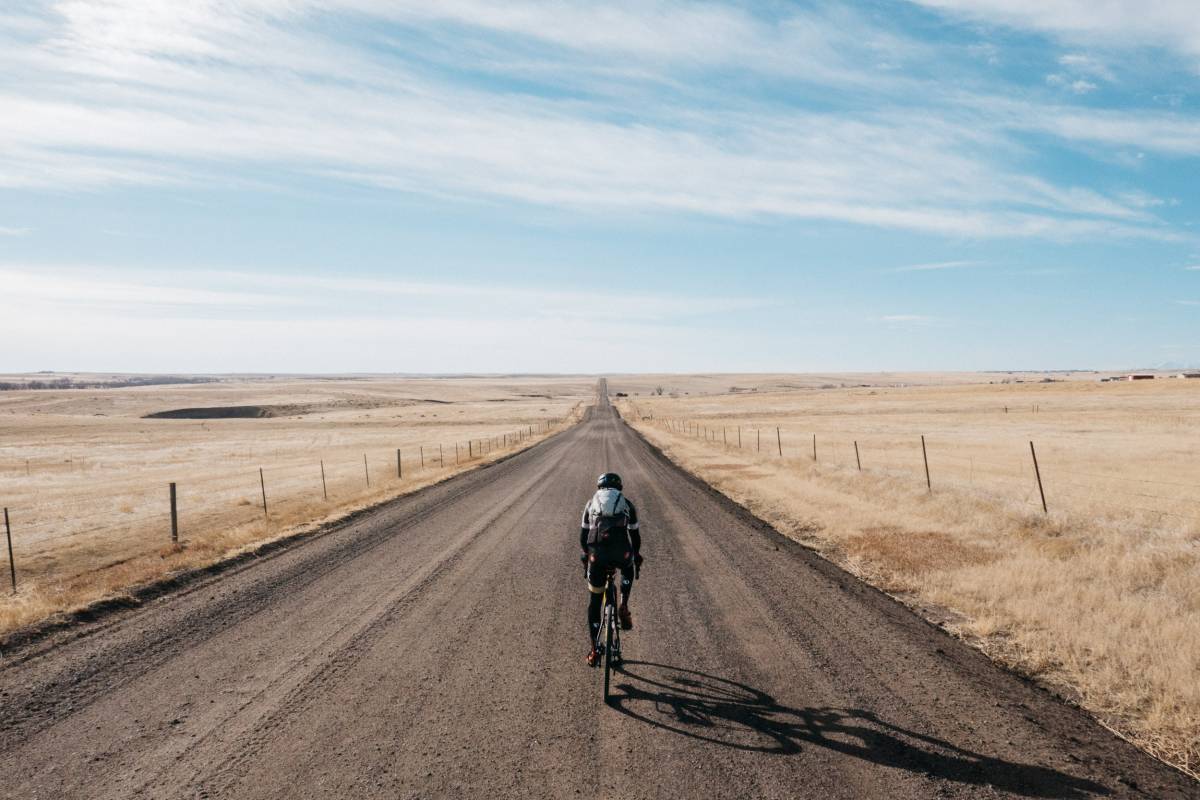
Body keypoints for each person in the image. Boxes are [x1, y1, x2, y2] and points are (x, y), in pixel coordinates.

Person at [579, 472, 643, 667]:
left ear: (599, 487)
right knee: (628, 566)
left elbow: (583, 537)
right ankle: (623, 604)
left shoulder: (591, 504)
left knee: (595, 601)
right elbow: (635, 536)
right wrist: (636, 555)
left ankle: (594, 649)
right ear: (619, 488)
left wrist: (586, 555)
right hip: (621, 553)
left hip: (597, 557)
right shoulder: (627, 504)